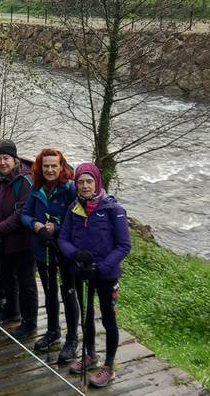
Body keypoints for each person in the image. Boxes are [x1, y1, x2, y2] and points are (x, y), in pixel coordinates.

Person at [58, 163, 131, 388]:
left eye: (89, 181)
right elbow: (63, 239)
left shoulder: (113, 210)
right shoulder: (74, 208)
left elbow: (123, 245)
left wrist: (101, 267)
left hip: (106, 275)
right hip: (81, 272)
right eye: (81, 182)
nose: (85, 186)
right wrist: (76, 255)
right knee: (87, 315)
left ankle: (108, 366)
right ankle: (90, 355)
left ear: (97, 182)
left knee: (109, 319)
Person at [20, 148, 79, 363]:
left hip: (64, 250)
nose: (50, 169)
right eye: (46, 166)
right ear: (40, 167)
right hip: (41, 248)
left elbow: (77, 220)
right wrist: (35, 225)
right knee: (50, 290)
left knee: (68, 292)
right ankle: (53, 331)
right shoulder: (36, 188)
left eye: (54, 165)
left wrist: (57, 227)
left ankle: (72, 339)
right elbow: (25, 215)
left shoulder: (70, 189)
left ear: (62, 166)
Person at [0, 139, 36, 339]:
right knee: (6, 277)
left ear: (15, 159)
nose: (3, 163)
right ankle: (11, 312)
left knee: (26, 282)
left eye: (6, 158)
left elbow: (22, 212)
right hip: (1, 240)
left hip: (22, 241)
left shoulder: (25, 180)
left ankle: (30, 322)